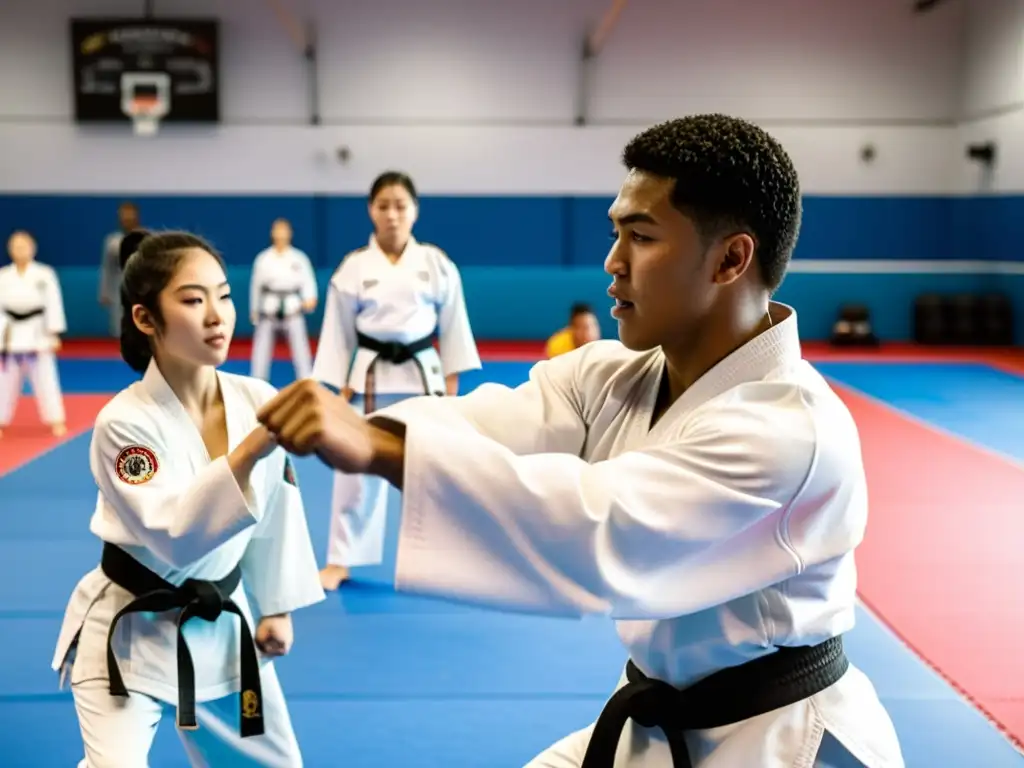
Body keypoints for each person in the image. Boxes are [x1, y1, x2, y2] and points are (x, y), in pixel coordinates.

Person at [257, 115, 905, 767]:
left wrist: (382, 449)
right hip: (655, 721)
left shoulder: (791, 427)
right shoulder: (613, 373)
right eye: (615, 232)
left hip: (779, 739)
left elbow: (602, 524)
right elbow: (492, 423)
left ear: (731, 259)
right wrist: (358, 430)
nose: (613, 263)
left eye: (641, 237)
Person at [53, 229, 325, 767]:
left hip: (224, 627)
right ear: (145, 319)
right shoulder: (123, 423)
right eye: (193, 300)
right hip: (130, 634)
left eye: (223, 295)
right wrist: (250, 450)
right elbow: (174, 534)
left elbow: (275, 511)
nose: (217, 315)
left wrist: (276, 605)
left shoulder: (256, 398)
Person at [311, 170, 481, 590]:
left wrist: (454, 379)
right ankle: (340, 560)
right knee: (352, 468)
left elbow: (454, 324)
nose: (392, 214)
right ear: (371, 210)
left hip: (424, 376)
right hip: (368, 378)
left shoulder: (436, 264)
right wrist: (336, 385)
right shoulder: (354, 267)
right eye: (383, 205)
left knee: (435, 469)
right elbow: (336, 330)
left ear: (415, 211)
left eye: (400, 205)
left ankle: (446, 560)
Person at [0, 230, 67, 438]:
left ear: (33, 248)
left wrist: (54, 332)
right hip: (10, 332)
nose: (19, 250)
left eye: (24, 246)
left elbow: (53, 304)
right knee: (4, 381)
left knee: (46, 378)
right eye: (15, 246)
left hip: (37, 332)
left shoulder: (45, 274)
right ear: (9, 250)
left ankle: (56, 419)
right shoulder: (3, 275)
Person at [248, 218, 318, 382]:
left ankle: (306, 384)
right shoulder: (264, 258)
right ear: (272, 234)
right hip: (269, 307)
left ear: (290, 234)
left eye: (284, 230)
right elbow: (256, 286)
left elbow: (308, 282)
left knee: (301, 353)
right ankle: (258, 384)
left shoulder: (299, 258)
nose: (280, 234)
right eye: (277, 230)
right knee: (260, 354)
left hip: (292, 307)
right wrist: (255, 310)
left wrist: (310, 299)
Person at [99, 201, 141, 338]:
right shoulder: (112, 241)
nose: (127, 220)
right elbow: (107, 268)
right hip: (118, 287)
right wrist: (104, 293)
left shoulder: (145, 238)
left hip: (140, 287)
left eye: (130, 217)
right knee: (119, 327)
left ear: (136, 217)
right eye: (124, 217)